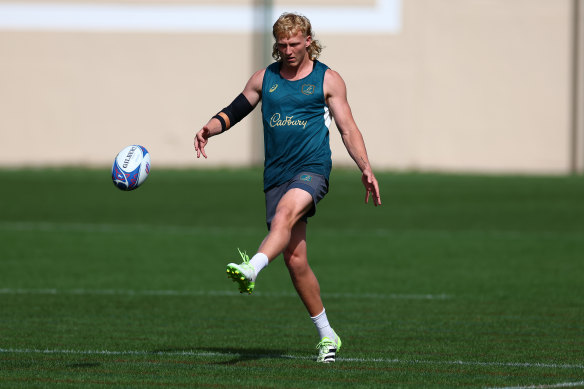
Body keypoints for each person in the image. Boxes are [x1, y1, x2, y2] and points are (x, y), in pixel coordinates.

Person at [194, 12, 381, 363]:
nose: (289, 50)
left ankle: (252, 268)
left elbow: (347, 128)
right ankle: (328, 336)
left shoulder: (329, 80)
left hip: (312, 169)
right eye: (282, 45)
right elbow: (235, 110)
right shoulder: (266, 78)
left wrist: (366, 167)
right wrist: (209, 128)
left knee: (285, 214)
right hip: (276, 175)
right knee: (296, 262)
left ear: (308, 41)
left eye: (295, 44)